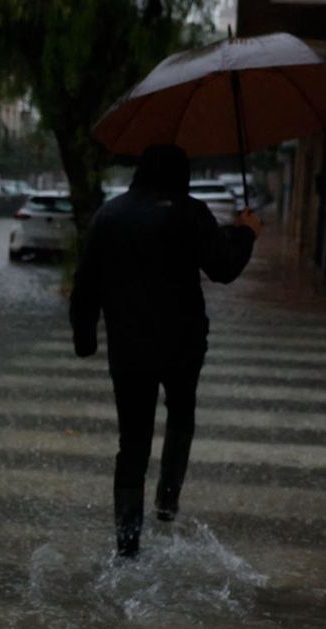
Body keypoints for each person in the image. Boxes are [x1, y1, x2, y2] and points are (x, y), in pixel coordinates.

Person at [68, 144, 261, 558]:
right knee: (182, 410)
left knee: (132, 440)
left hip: (129, 346)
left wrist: (85, 341)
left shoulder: (110, 216)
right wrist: (246, 232)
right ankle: (167, 499)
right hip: (183, 342)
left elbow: (85, 286)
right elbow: (223, 267)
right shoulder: (191, 213)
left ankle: (126, 544)